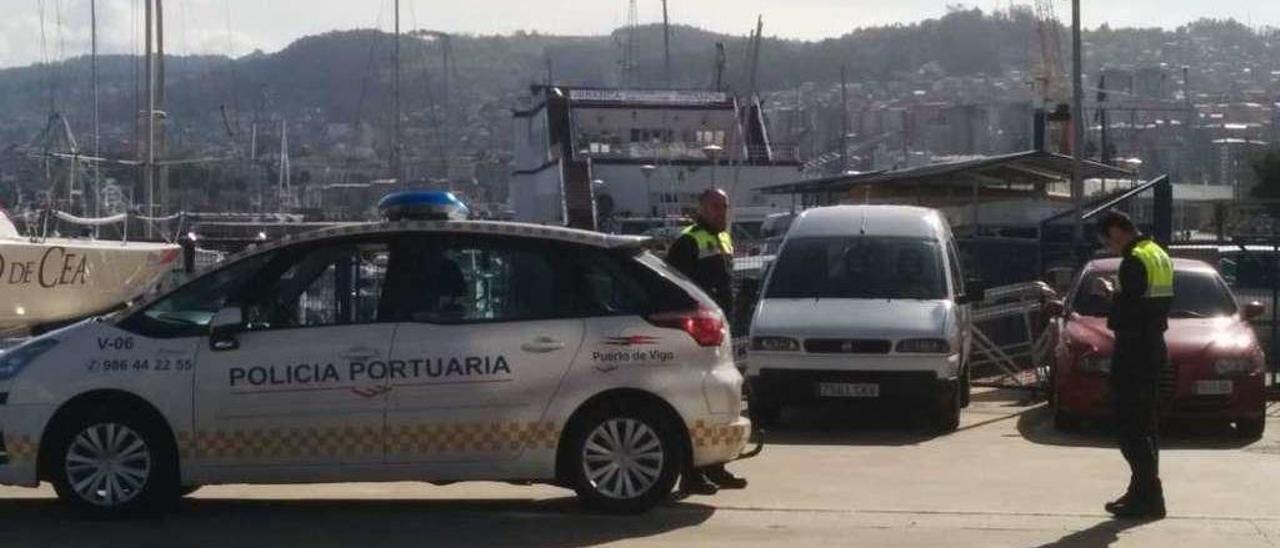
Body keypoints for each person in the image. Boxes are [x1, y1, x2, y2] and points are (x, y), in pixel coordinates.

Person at [665, 188, 748, 495]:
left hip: (721, 332)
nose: (722, 212)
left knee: (721, 403)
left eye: (725, 206)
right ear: (701, 208)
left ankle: (716, 466)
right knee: (697, 405)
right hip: (697, 336)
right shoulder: (688, 241)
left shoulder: (724, 239)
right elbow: (677, 289)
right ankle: (691, 474)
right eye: (715, 207)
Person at [1091, 210, 1173, 519]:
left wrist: (1111, 294)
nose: (1110, 248)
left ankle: (1149, 495)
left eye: (1108, 242)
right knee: (1146, 425)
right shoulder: (1158, 254)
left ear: (1116, 231)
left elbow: (1130, 311)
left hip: (1135, 351)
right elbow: (1150, 304)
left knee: (1129, 427)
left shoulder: (1134, 260)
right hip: (1152, 346)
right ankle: (1141, 492)